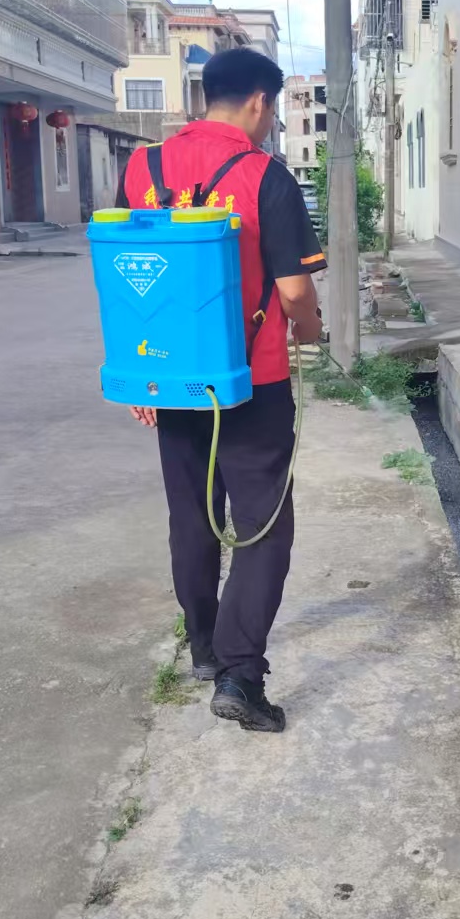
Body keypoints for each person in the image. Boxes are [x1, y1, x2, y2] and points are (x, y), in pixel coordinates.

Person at [120, 47, 324, 733]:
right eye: (273, 110)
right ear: (261, 102)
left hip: (171, 379)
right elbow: (294, 291)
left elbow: (126, 274)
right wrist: (311, 331)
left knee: (193, 516)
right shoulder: (265, 175)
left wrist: (142, 375)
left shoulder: (142, 168)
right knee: (262, 526)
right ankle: (241, 673)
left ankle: (205, 648)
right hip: (251, 384)